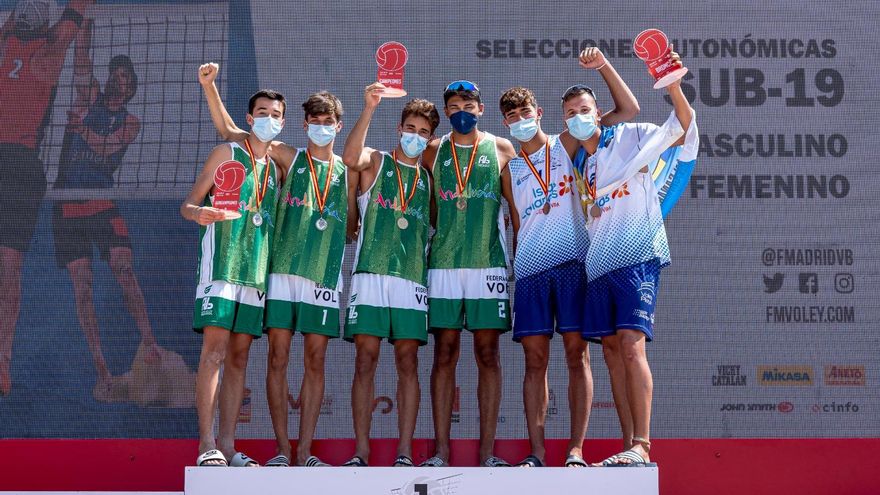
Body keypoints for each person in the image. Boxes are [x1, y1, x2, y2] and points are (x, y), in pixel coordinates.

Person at [198, 63, 358, 467]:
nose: (321, 127)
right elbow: (233, 133)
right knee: (276, 358)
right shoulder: (286, 155)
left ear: (339, 126)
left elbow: (354, 222)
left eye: (328, 122)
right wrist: (210, 88)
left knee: (316, 360)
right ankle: (283, 449)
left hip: (323, 275)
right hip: (281, 272)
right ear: (303, 125)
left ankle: (305, 452)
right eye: (315, 121)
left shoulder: (350, 171)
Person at [498, 47, 640, 467]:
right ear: (505, 123)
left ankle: (575, 448)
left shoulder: (567, 143)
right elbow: (518, 225)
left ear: (540, 113)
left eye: (525, 113)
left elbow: (627, 110)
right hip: (531, 272)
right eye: (512, 117)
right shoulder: (510, 170)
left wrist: (603, 67)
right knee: (534, 360)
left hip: (574, 264)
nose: (520, 121)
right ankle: (537, 452)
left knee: (578, 354)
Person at [571, 48, 695, 467]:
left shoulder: (630, 135)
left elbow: (681, 125)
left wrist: (672, 85)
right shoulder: (579, 161)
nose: (578, 117)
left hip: (638, 255)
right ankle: (629, 447)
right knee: (610, 352)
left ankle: (643, 444)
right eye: (570, 113)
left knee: (630, 346)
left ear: (599, 113)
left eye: (584, 110)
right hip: (599, 264)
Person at [51, 18, 158, 401]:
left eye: (124, 76)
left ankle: (151, 345)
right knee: (83, 289)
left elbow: (106, 147)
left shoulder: (131, 122)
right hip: (66, 202)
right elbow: (81, 60)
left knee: (124, 270)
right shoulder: (88, 98)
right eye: (114, 72)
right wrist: (84, 23)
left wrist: (81, 130)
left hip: (100, 200)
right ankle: (103, 372)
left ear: (130, 88)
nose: (117, 78)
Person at [182, 89, 284, 467]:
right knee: (214, 353)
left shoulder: (276, 167)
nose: (269, 119)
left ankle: (227, 446)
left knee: (240, 359)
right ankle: (206, 443)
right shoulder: (227, 153)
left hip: (254, 274)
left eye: (275, 114)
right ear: (250, 118)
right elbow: (189, 204)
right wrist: (199, 214)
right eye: (262, 112)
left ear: (283, 122)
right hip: (221, 267)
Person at [419, 80, 518, 467]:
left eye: (469, 106)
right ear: (446, 112)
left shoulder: (502, 148)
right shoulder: (432, 150)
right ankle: (441, 452)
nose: (462, 112)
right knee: (444, 353)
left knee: (488, 354)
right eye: (455, 107)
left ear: (481, 110)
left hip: (488, 264)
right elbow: (427, 208)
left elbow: (514, 210)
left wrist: (519, 256)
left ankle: (488, 453)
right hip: (444, 264)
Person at [340, 83, 439, 467]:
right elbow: (350, 157)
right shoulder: (377, 161)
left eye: (423, 132)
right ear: (399, 128)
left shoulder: (428, 179)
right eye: (410, 128)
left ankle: (404, 451)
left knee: (408, 362)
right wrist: (369, 107)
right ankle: (362, 451)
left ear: (429, 139)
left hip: (411, 279)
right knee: (365, 360)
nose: (415, 136)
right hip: (370, 274)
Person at [0, 0, 94, 396]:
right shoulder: (49, 55)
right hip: (21, 167)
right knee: (9, 267)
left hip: (14, 165)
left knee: (8, 268)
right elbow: (74, 15)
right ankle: (3, 360)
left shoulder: (5, 44)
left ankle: (2, 360)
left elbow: (23, 24)